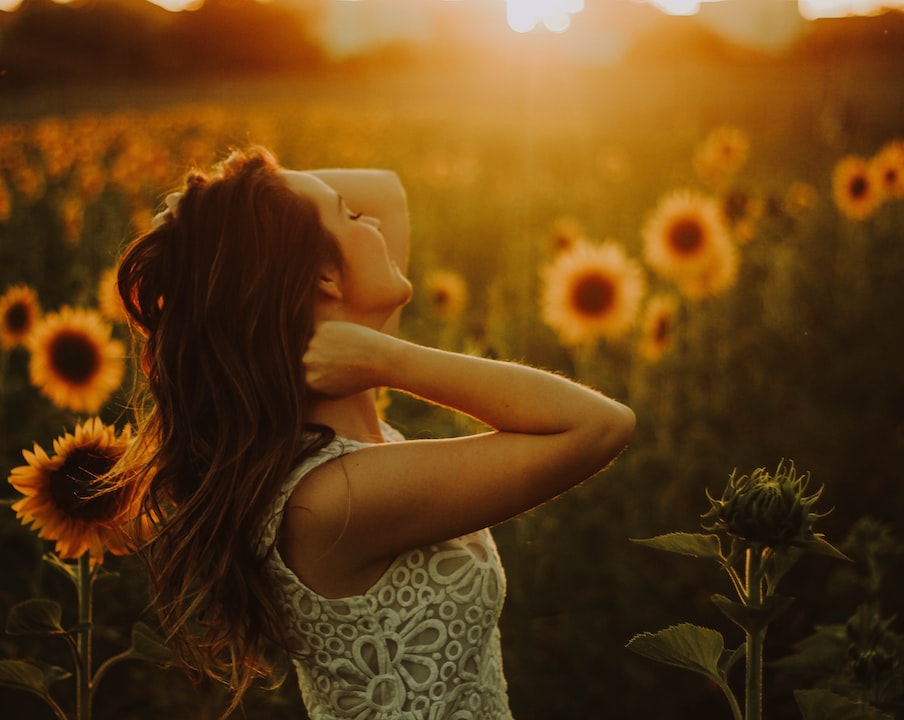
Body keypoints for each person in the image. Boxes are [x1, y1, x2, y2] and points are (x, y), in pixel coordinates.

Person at [112, 146, 635, 720]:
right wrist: (394, 360)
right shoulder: (336, 497)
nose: (375, 220)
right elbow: (599, 425)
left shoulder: (342, 424)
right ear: (325, 276)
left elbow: (384, 189)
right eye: (350, 218)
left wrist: (233, 200)